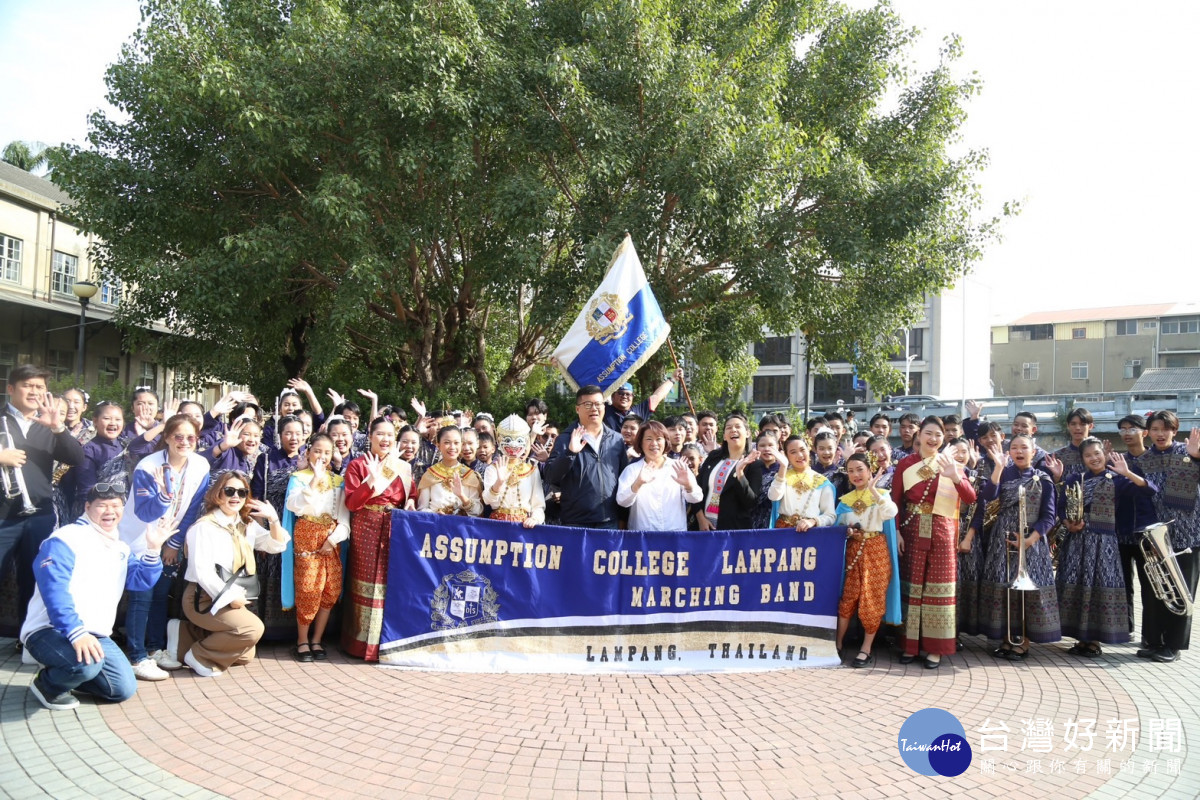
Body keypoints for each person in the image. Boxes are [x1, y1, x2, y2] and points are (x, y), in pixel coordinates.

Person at [21, 485, 169, 710]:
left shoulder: (120, 547)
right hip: (51, 630)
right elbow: (54, 590)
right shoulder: (66, 538)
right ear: (87, 507)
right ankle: (48, 685)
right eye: (102, 505)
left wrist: (153, 549)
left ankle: (72, 673)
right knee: (86, 664)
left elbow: (139, 582)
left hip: (95, 634)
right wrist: (76, 633)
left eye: (116, 505)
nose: (109, 511)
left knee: (121, 689)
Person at [118, 414, 211, 680]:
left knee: (160, 594)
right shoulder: (147, 467)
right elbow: (147, 512)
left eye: (190, 437)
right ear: (167, 438)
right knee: (141, 596)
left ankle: (154, 649)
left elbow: (192, 508)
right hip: (139, 539)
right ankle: (136, 656)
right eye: (178, 436)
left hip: (168, 538)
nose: (184, 442)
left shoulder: (201, 465)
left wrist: (174, 543)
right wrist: (165, 492)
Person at [0, 365, 85, 633]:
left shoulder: (49, 424)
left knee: (35, 579)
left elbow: (76, 458)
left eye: (40, 387)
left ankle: (29, 638)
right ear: (11, 389)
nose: (35, 392)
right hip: (3, 515)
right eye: (28, 386)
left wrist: (59, 428)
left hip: (40, 514)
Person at [177, 471, 288, 676]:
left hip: (229, 597)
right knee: (251, 629)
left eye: (242, 492)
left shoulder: (246, 524)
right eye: (229, 491)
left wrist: (273, 519)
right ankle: (199, 655)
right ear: (218, 494)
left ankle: (184, 635)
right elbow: (202, 572)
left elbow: (276, 545)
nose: (235, 497)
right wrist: (231, 597)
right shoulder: (204, 527)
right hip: (203, 598)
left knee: (245, 655)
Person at [891, 416, 975, 668]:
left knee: (938, 590)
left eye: (938, 435)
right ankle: (910, 645)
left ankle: (935, 649)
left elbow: (970, 498)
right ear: (919, 435)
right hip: (913, 529)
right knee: (912, 586)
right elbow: (895, 501)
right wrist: (896, 532)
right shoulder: (906, 464)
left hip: (942, 531)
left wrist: (955, 476)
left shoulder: (951, 462)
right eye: (928, 433)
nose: (933, 439)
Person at [1057, 439, 1154, 657]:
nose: (1094, 458)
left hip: (1105, 543)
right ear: (1082, 459)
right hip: (1077, 541)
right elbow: (1061, 507)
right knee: (1078, 586)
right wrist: (1068, 523)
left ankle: (1094, 642)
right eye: (1088, 455)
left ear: (1104, 454)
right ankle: (1081, 639)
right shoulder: (1075, 479)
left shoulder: (1118, 479)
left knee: (1099, 588)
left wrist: (1128, 473)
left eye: (1097, 453)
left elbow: (1149, 490)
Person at [974, 434, 1059, 661]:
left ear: (1034, 451)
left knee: (1027, 593)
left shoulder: (1043, 478)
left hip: (1031, 542)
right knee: (1003, 590)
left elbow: (1049, 516)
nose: (1019, 451)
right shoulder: (1003, 473)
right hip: (1002, 540)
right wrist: (998, 469)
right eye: (1014, 448)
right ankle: (1006, 638)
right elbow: (988, 498)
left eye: (1024, 447)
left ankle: (1024, 642)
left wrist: (1030, 540)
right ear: (1008, 452)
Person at [342, 418, 415, 661]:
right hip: (367, 526)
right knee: (364, 579)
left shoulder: (402, 467)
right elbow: (352, 503)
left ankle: (383, 642)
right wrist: (372, 480)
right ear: (370, 436)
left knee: (388, 581)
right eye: (380, 434)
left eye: (389, 435)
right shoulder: (357, 465)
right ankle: (360, 643)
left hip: (393, 527)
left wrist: (412, 502)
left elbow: (410, 495)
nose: (385, 439)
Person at [1134, 412, 1200, 663]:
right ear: (1148, 432)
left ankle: (1174, 645)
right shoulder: (1144, 459)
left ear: (1174, 430)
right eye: (1155, 429)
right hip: (1157, 536)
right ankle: (1154, 640)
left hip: (1188, 535)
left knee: (1182, 591)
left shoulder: (1190, 451)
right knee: (1156, 591)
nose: (1160, 433)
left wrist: (1196, 457)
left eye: (1166, 429)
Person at [282, 434, 349, 663]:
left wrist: (333, 539)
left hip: (331, 538)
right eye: (317, 451)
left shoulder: (338, 481)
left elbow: (344, 518)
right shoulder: (299, 478)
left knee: (329, 590)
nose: (322, 456)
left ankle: (317, 639)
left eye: (327, 452)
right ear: (309, 452)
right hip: (307, 536)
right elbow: (295, 507)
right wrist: (314, 481)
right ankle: (302, 640)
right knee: (309, 589)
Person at [834, 453, 901, 668]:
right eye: (851, 470)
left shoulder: (881, 495)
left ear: (870, 470)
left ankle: (866, 648)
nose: (855, 474)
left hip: (876, 551)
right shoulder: (844, 501)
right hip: (854, 550)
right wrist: (847, 532)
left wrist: (873, 490)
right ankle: (837, 643)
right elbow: (836, 528)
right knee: (848, 598)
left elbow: (891, 513)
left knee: (872, 599)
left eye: (860, 469)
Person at [545, 385, 628, 529]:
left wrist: (623, 517)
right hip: (576, 522)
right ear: (577, 409)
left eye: (598, 404)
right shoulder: (565, 439)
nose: (594, 409)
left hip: (609, 520)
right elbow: (551, 476)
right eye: (588, 404)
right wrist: (570, 453)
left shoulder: (616, 439)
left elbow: (624, 479)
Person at [617, 421, 702, 531]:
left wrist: (688, 486)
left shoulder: (678, 467)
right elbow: (622, 501)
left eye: (659, 439)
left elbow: (697, 498)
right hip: (643, 536)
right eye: (648, 439)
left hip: (674, 535)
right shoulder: (632, 469)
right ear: (640, 443)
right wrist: (637, 484)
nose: (654, 443)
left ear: (666, 442)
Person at [695, 414, 765, 531]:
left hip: (733, 530)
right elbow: (696, 489)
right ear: (724, 436)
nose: (733, 430)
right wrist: (701, 518)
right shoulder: (714, 457)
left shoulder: (754, 464)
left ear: (747, 433)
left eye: (738, 426)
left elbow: (750, 502)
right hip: (704, 526)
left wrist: (740, 473)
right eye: (728, 427)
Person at [482, 416, 545, 527]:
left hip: (523, 526)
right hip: (497, 525)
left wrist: (535, 518)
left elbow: (538, 504)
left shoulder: (531, 470)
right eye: (508, 440)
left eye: (519, 440)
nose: (513, 445)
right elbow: (487, 500)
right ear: (499, 440)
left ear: (525, 441)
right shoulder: (492, 468)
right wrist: (499, 483)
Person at [764, 435, 835, 531]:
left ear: (809, 450)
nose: (800, 455)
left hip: (810, 533)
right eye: (793, 452)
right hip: (783, 532)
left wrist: (813, 521)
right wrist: (783, 467)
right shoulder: (782, 477)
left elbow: (830, 516)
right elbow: (773, 496)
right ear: (786, 455)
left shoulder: (822, 482)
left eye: (802, 450)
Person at [71, 401, 127, 517]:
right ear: (95, 421)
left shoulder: (126, 445)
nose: (113, 423)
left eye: (118, 419)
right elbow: (86, 489)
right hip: (97, 511)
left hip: (124, 510)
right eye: (107, 418)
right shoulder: (88, 449)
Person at [418, 426, 484, 516]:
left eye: (456, 443)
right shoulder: (430, 474)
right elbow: (422, 509)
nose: (452, 447)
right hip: (436, 526)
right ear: (438, 445)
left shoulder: (469, 475)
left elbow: (478, 511)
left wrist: (462, 496)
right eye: (447, 442)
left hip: (462, 527)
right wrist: (434, 514)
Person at [602, 369, 682, 432]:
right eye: (620, 393)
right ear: (613, 396)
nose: (624, 396)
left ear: (633, 397)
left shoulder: (639, 411)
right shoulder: (603, 409)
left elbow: (657, 397)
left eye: (628, 394)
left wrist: (673, 379)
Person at [751, 431, 781, 529]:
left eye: (771, 445)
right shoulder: (750, 469)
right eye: (762, 445)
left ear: (777, 446)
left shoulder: (784, 470)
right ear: (757, 448)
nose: (767, 449)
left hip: (777, 520)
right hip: (753, 521)